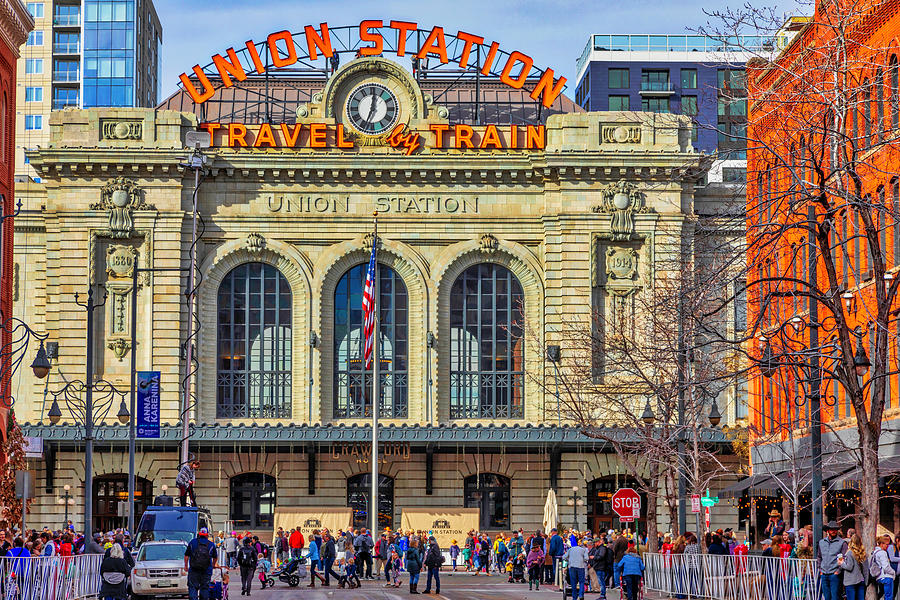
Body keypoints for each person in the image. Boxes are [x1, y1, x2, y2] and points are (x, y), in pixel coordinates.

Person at [184, 527, 218, 600]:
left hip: (194, 570)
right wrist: (213, 565)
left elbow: (186, 555)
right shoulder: (211, 545)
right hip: (206, 570)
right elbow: (215, 557)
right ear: (207, 535)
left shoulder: (192, 542)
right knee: (205, 588)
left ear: (199, 534)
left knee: (193, 587)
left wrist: (186, 566)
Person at [817, 521, 847, 600]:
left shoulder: (842, 543)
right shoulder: (821, 542)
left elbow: (844, 558)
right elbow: (819, 556)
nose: (833, 531)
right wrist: (820, 569)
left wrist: (838, 571)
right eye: (831, 529)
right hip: (824, 573)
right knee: (827, 597)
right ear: (827, 530)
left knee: (835, 597)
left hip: (835, 574)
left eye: (835, 529)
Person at [838, 533, 866, 600]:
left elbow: (849, 567)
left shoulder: (850, 552)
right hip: (860, 579)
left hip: (850, 581)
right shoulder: (862, 552)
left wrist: (841, 563)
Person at [874, 534, 897, 600]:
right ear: (881, 544)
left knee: (882, 594)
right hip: (886, 577)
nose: (887, 546)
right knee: (889, 597)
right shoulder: (882, 553)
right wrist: (893, 572)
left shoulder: (875, 552)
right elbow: (886, 567)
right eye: (886, 544)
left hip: (879, 577)